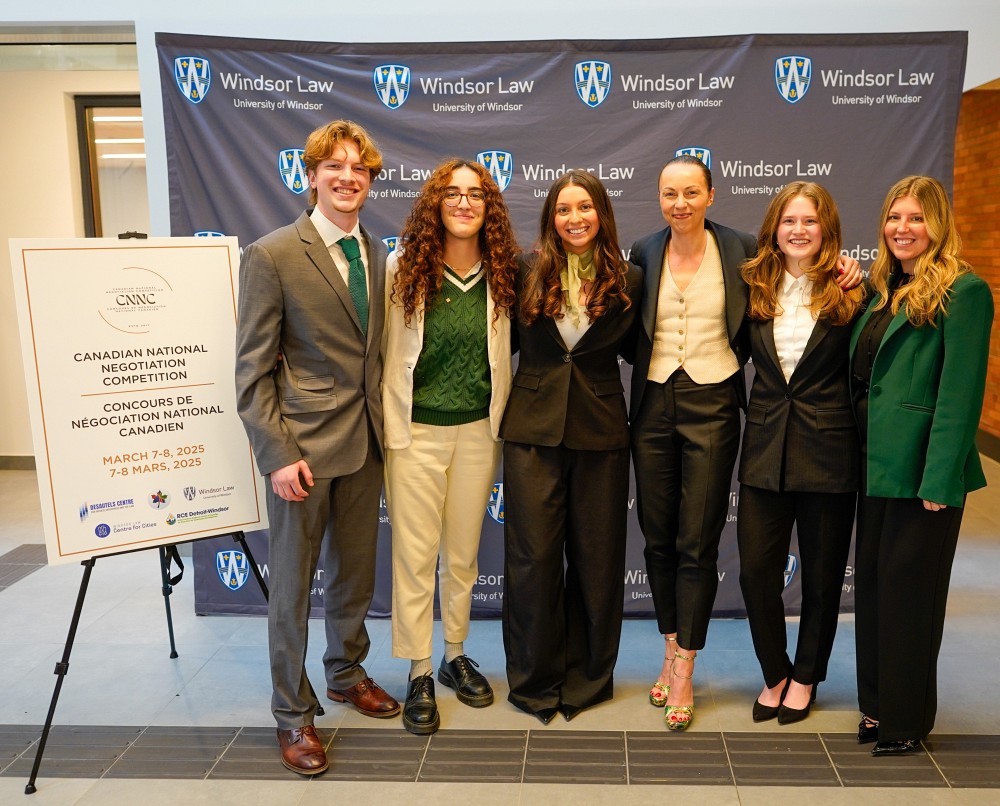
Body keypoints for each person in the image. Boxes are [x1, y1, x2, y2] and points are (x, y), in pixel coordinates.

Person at [629, 155, 860, 730]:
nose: (679, 202)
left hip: (718, 406)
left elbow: (821, 285)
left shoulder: (740, 254)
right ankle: (673, 652)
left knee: (698, 542)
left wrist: (849, 269)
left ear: (711, 194)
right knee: (659, 540)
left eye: (690, 192)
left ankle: (690, 668)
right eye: (668, 193)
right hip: (657, 402)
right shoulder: (646, 252)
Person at [235, 120, 399, 776]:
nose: (347, 177)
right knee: (294, 590)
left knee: (356, 578)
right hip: (301, 453)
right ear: (311, 176)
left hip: (365, 447)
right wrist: (276, 454)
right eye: (334, 166)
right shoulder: (272, 254)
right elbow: (251, 372)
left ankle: (345, 673)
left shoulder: (378, 251)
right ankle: (292, 713)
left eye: (359, 169)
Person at [850, 175, 993, 756]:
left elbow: (961, 396)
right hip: (875, 469)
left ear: (938, 225)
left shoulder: (966, 291)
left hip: (923, 475)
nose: (902, 229)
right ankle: (876, 704)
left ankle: (906, 720)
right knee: (876, 593)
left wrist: (940, 481)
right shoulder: (885, 289)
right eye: (894, 217)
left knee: (912, 596)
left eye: (915, 218)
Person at [382, 158, 519, 735]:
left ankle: (453, 654)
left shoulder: (504, 272)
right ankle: (417, 669)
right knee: (416, 557)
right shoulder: (401, 267)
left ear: (489, 209)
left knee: (461, 555)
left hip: (478, 432)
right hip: (415, 432)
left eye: (476, 195)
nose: (464, 203)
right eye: (453, 194)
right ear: (434, 203)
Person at [501, 169, 642, 724]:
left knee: (597, 558)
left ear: (601, 214)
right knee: (532, 560)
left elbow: (642, 350)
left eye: (585, 208)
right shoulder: (523, 271)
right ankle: (534, 681)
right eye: (564, 209)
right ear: (550, 218)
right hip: (532, 431)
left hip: (601, 431)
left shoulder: (630, 278)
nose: (575, 218)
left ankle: (587, 678)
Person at [736, 182, 864, 725]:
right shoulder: (751, 286)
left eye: (810, 221)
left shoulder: (853, 291)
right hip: (765, 448)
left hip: (830, 450)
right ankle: (775, 671)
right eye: (789, 220)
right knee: (755, 573)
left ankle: (807, 674)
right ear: (774, 228)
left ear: (826, 229)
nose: (799, 230)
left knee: (823, 575)